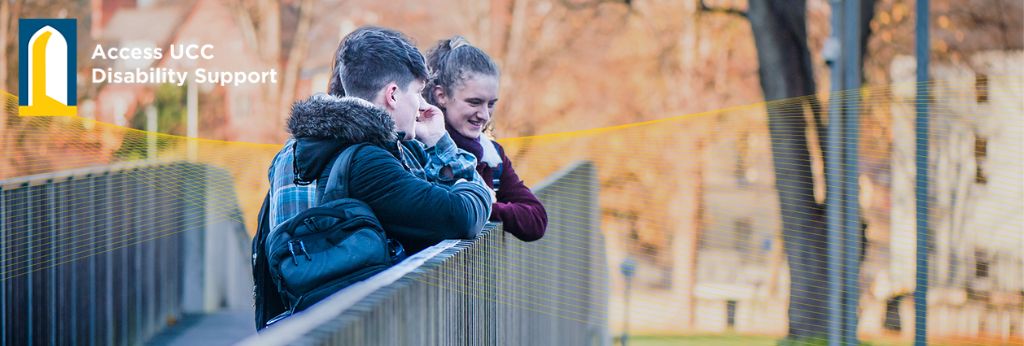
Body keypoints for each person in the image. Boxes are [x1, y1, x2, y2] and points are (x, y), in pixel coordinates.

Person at [254, 27, 494, 329]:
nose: (421, 106)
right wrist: (441, 142)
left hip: (294, 329)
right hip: (357, 329)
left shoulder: (288, 154)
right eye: (417, 93)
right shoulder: (370, 160)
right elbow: (461, 215)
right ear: (393, 94)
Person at [423, 36, 547, 242]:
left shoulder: (493, 156)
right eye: (474, 102)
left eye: (490, 104)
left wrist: (484, 207)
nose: (485, 115)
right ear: (441, 95)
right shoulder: (420, 150)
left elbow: (536, 220)